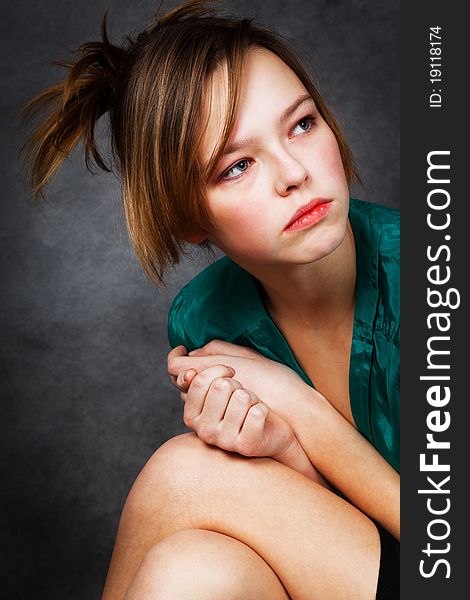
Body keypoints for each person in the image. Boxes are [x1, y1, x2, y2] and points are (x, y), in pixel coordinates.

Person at [19, 1, 400, 598]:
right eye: (238, 166)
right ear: (188, 218)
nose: (292, 172)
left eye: (301, 124)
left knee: (185, 473)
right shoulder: (208, 322)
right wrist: (281, 450)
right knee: (193, 570)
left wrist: (299, 409)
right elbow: (323, 530)